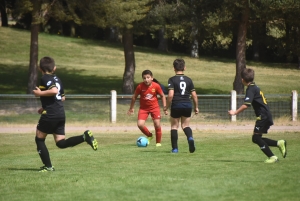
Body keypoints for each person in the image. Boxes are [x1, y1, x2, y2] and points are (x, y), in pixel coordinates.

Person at [33, 56, 98, 172]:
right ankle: (85, 137)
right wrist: (44, 106)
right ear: (55, 68)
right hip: (60, 113)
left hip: (51, 114)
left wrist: (40, 93)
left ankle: (48, 167)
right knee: (60, 143)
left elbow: (54, 91)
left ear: (39, 68)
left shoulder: (44, 78)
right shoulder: (57, 79)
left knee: (39, 139)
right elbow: (62, 98)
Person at [228, 68, 287, 163]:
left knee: (256, 138)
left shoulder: (250, 89)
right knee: (257, 138)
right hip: (266, 115)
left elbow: (246, 105)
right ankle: (279, 143)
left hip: (263, 116)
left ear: (242, 79)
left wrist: (234, 112)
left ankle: (272, 157)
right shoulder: (255, 87)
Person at [165, 59, 199, 153]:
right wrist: (196, 107)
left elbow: (171, 95)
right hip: (187, 104)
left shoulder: (172, 80)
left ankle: (175, 149)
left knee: (174, 127)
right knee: (185, 125)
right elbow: (194, 95)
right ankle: (190, 138)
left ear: (174, 68)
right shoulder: (189, 80)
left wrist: (166, 107)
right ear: (184, 68)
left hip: (176, 104)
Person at [127, 70, 168, 147]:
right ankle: (149, 135)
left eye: (148, 77)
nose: (146, 79)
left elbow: (162, 96)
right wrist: (131, 108)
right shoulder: (140, 86)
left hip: (154, 108)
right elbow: (134, 97)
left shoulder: (156, 86)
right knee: (140, 124)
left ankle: (158, 143)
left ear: (152, 78)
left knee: (157, 124)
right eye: (144, 78)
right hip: (143, 109)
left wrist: (164, 107)